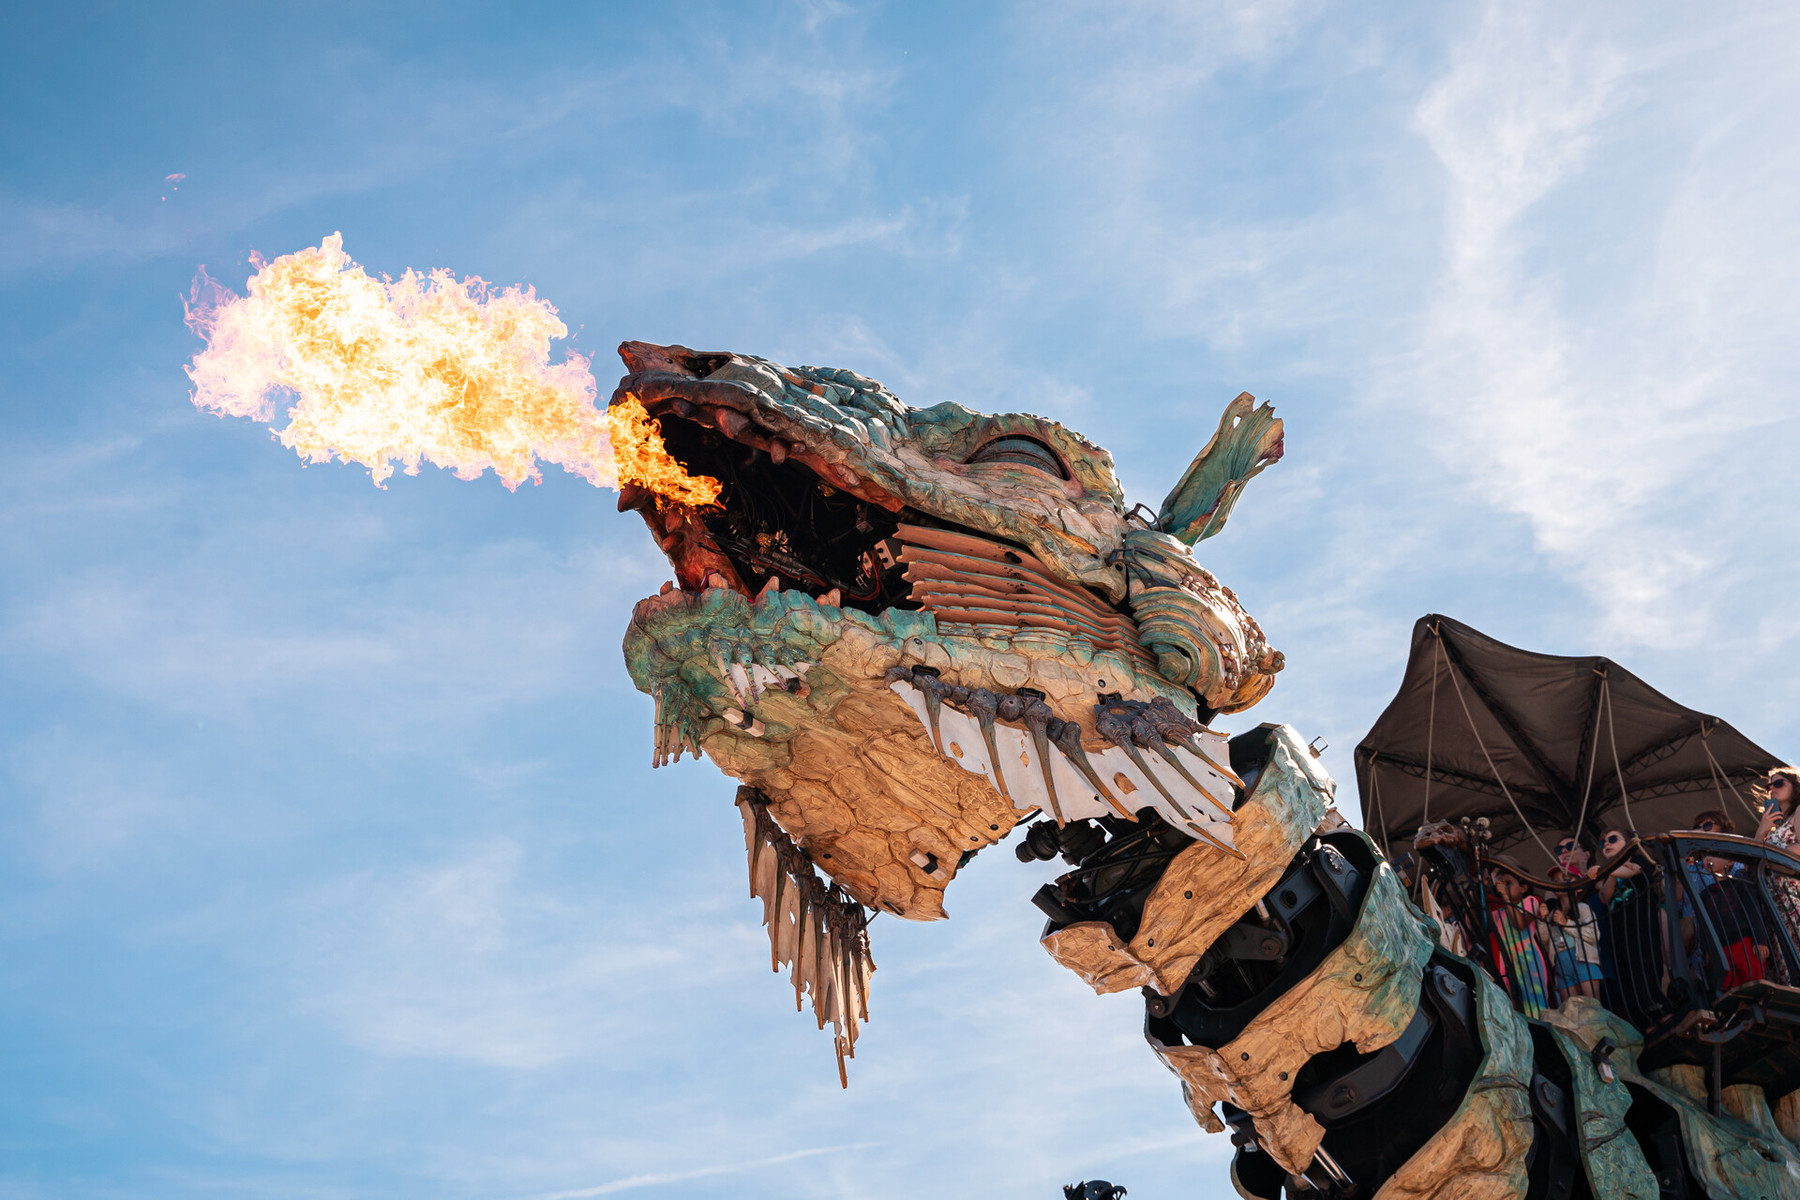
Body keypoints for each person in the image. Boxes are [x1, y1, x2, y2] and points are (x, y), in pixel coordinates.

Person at [1486, 860, 1552, 1017]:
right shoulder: (1499, 913)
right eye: (1501, 884)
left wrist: (1506, 898)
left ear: (1523, 887)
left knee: (1535, 1006)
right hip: (1507, 964)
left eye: (1508, 883)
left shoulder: (1531, 901)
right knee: (1514, 1008)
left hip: (1528, 961)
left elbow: (1520, 924)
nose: (1504, 887)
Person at [1544, 834, 1605, 1002]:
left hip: (1583, 961)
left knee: (1592, 1006)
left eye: (1565, 878)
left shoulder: (1583, 908)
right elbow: (1547, 940)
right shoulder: (1552, 914)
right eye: (1556, 880)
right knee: (1572, 1010)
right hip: (1562, 968)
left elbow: (1593, 935)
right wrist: (1543, 920)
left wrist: (1567, 924)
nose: (1560, 882)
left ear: (1578, 887)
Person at [1696, 853, 1769, 989]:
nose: (1708, 858)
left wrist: (1760, 940)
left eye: (1713, 855)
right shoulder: (1705, 895)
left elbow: (1754, 912)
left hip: (1745, 943)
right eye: (1704, 856)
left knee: (1754, 983)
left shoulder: (1741, 884)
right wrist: (1707, 950)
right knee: (1729, 987)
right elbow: (1704, 925)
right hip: (1721, 948)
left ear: (1730, 861)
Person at [1753, 766, 1800, 948]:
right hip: (1774, 901)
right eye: (1769, 786)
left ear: (1795, 786)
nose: (1772, 788)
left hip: (1793, 896)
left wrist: (1775, 853)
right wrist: (1761, 830)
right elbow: (1753, 858)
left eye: (1779, 783)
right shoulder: (1775, 827)